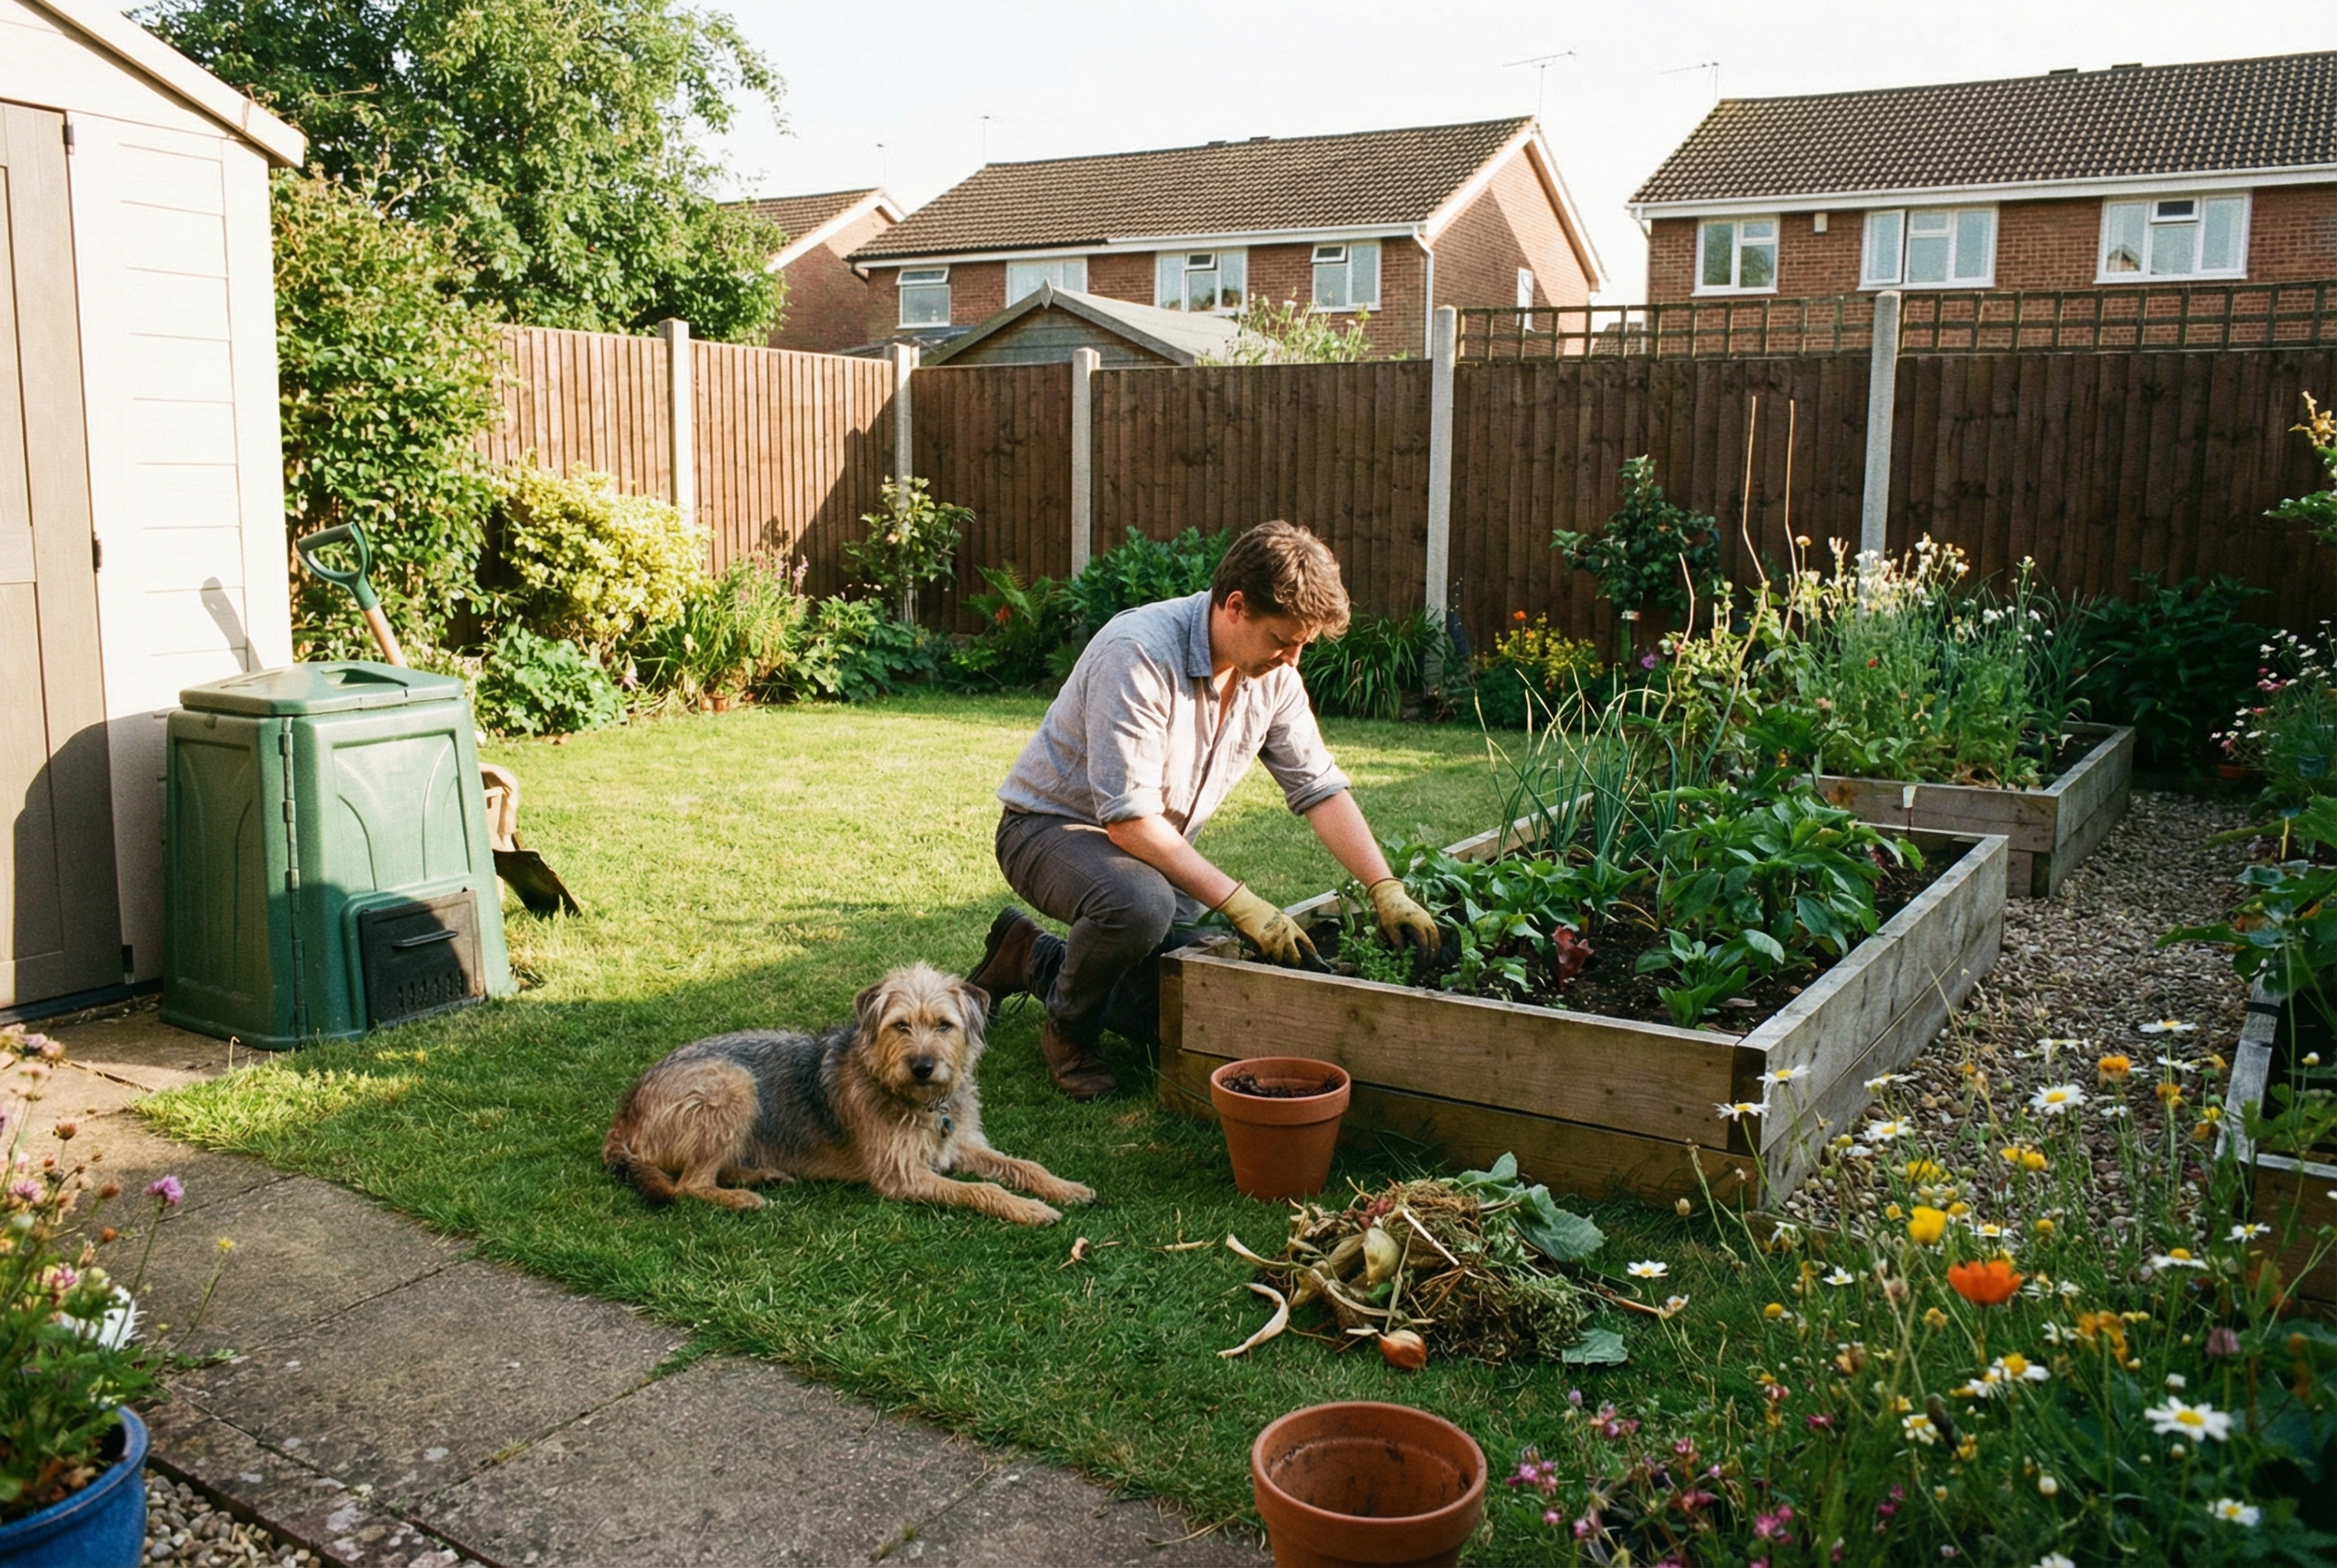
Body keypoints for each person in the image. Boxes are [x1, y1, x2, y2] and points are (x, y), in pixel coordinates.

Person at [968, 521, 1438, 1100]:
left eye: (1302, 645)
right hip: (1048, 831)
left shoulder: (1274, 678)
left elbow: (1319, 787)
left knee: (1181, 1013)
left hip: (1148, 850)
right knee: (1139, 905)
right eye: (1282, 640)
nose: (1292, 660)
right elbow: (1127, 819)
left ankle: (1029, 956)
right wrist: (1242, 902)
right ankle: (1069, 1032)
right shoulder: (1137, 653)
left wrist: (1383, 885)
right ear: (1235, 606)